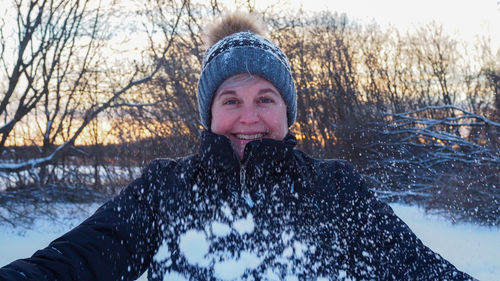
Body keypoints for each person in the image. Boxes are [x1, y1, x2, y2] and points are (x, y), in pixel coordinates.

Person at [0, 12, 475, 281]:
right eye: (231, 100)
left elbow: (417, 269)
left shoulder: (334, 188)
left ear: (287, 113)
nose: (248, 116)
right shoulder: (166, 187)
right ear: (209, 114)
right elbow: (77, 262)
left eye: (265, 98)